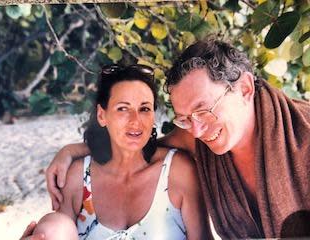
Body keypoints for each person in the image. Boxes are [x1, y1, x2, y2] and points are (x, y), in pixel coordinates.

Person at [26, 36, 310, 239]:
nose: (196, 130)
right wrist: (72, 151)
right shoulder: (198, 138)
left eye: (203, 110)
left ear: (246, 88)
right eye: (184, 118)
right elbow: (136, 147)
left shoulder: (304, 134)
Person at [21, 64, 208, 240]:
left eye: (144, 109)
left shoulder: (178, 171)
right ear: (102, 115)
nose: (136, 120)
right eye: (123, 108)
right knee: (52, 226)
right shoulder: (78, 177)